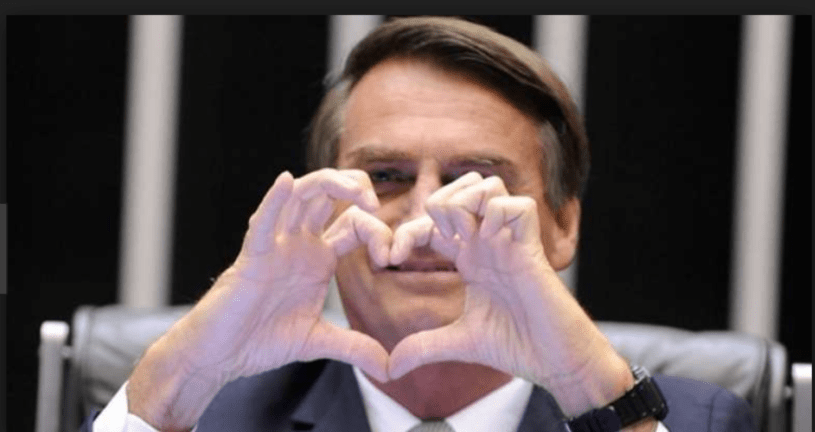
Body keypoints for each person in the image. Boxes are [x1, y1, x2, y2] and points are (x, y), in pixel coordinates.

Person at [88, 16, 755, 432]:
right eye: (385, 176)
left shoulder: (691, 421)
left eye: (476, 183)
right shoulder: (205, 418)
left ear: (561, 227)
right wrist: (186, 372)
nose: (424, 217)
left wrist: (594, 392)